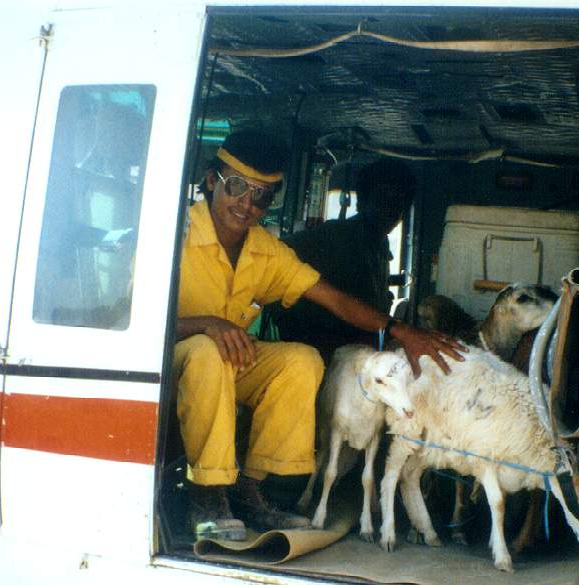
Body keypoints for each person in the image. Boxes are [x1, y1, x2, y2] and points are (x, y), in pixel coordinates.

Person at [174, 130, 462, 540]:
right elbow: (127, 316)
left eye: (262, 195)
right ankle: (206, 495)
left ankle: (250, 490)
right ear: (211, 180)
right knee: (206, 351)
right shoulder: (175, 233)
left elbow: (334, 299)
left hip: (225, 362)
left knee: (301, 360)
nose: (247, 204)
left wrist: (401, 330)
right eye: (236, 186)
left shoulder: (264, 250)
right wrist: (207, 323)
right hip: (168, 361)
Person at [270, 158, 417, 359]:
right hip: (322, 349)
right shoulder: (333, 236)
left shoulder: (379, 246)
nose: (389, 210)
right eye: (382, 200)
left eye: (397, 203)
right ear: (361, 201)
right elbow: (274, 257)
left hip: (360, 349)